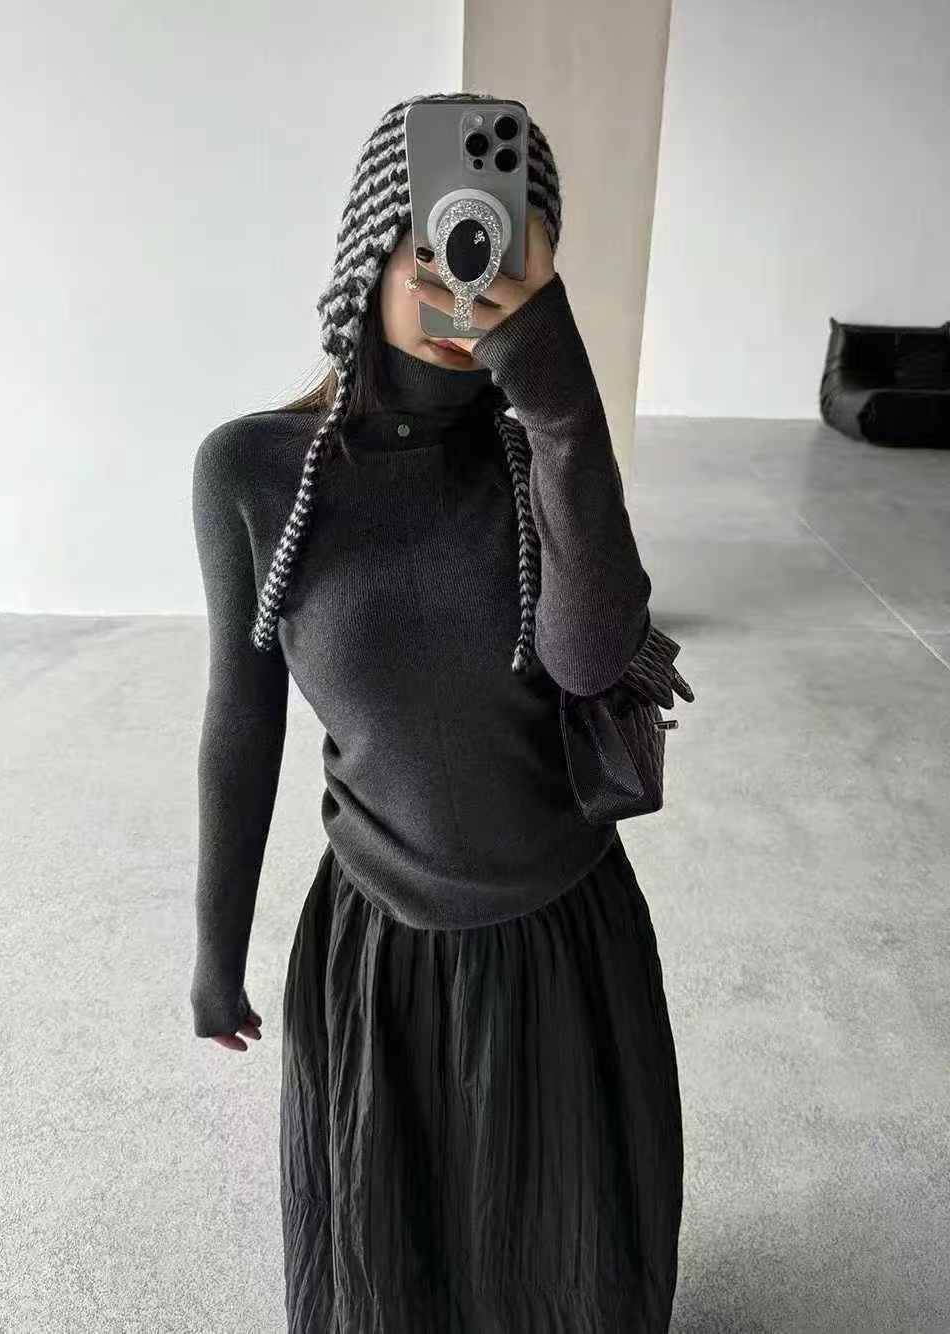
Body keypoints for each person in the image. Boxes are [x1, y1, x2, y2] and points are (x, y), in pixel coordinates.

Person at [189, 91, 694, 1333]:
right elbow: (242, 719)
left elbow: (591, 659)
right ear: (373, 246)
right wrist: (215, 939)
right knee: (395, 1275)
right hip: (381, 948)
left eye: (509, 245)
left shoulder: (538, 458)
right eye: (441, 235)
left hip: (564, 937)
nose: (470, 270)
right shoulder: (253, 471)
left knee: (564, 1264)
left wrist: (561, 403)